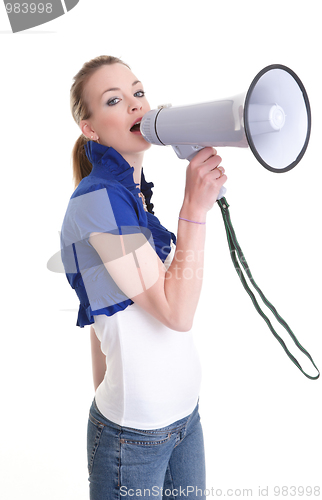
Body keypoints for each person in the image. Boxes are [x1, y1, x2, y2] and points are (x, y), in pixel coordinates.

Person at [61, 55, 227, 499]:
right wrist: (194, 211)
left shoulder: (132, 196)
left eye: (139, 92)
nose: (136, 105)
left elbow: (104, 317)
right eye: (115, 99)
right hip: (132, 440)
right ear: (90, 128)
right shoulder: (96, 200)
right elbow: (176, 312)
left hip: (185, 422)